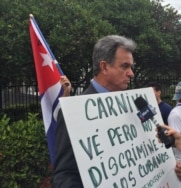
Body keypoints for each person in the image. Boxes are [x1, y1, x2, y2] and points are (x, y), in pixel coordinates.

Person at [52, 35, 136, 187]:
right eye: (125, 66)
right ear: (104, 67)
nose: (131, 73)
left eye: (131, 67)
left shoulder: (130, 106)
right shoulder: (74, 112)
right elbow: (64, 175)